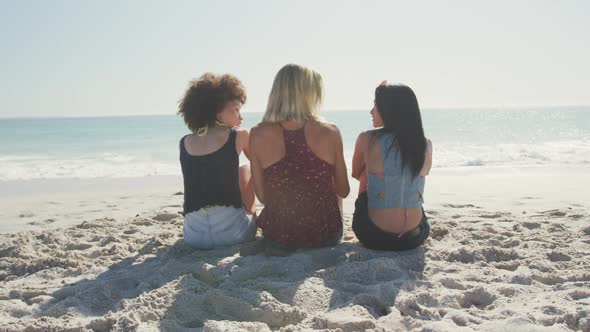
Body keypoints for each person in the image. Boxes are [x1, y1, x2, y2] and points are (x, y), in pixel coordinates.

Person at [249, 64, 350, 249]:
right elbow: (343, 190)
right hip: (324, 235)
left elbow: (262, 197)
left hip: (278, 236)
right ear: (310, 95)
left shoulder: (256, 134)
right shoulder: (331, 131)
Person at [177, 73, 256, 249]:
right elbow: (261, 165)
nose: (240, 117)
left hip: (194, 237)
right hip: (234, 234)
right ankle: (251, 213)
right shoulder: (240, 135)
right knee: (247, 169)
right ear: (216, 113)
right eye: (235, 110)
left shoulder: (185, 142)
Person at [351, 82, 432, 251]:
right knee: (410, 182)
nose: (371, 111)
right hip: (415, 237)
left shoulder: (367, 139)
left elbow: (356, 173)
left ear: (389, 110)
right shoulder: (425, 144)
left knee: (367, 174)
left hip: (375, 236)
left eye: (375, 105)